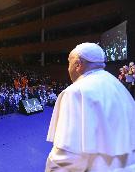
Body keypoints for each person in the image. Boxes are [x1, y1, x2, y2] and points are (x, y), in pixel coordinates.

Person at [45, 43, 135, 172]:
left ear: (78, 64)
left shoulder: (76, 92)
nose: (68, 68)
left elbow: (66, 155)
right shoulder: (117, 85)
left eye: (69, 63)